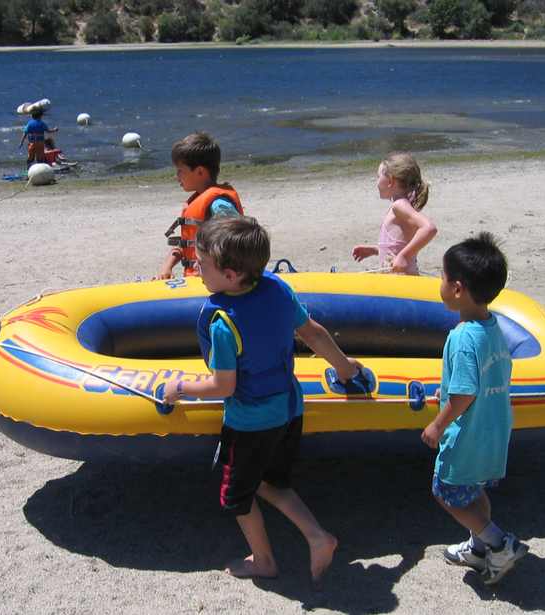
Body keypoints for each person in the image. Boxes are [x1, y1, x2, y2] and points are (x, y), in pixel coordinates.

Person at [161, 216, 363, 586]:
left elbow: (223, 386)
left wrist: (182, 387)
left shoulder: (223, 321)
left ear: (232, 274)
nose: (197, 270)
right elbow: (314, 334)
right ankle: (317, 536)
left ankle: (265, 560)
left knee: (236, 495)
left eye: (203, 265)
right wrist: (346, 369)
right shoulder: (276, 289)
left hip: (251, 423)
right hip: (289, 409)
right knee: (272, 483)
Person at [421, 232, 528, 585]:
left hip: (468, 433)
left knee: (447, 492)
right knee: (474, 490)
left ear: (457, 288)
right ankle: (479, 546)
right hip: (494, 427)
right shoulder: (491, 326)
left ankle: (499, 544)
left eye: (442, 276)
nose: (439, 282)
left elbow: (464, 394)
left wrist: (437, 425)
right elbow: (482, 375)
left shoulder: (462, 337)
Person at [157, 132, 242, 280]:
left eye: (180, 171)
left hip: (216, 281)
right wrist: (168, 265)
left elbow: (236, 242)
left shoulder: (219, 205)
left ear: (200, 172)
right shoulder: (197, 201)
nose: (176, 176)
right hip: (195, 278)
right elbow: (188, 242)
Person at [352, 152, 437, 274]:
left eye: (378, 177)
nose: (376, 182)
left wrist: (404, 256)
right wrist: (375, 250)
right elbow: (398, 245)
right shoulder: (401, 205)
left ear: (390, 181)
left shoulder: (400, 205)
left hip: (403, 279)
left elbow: (429, 228)